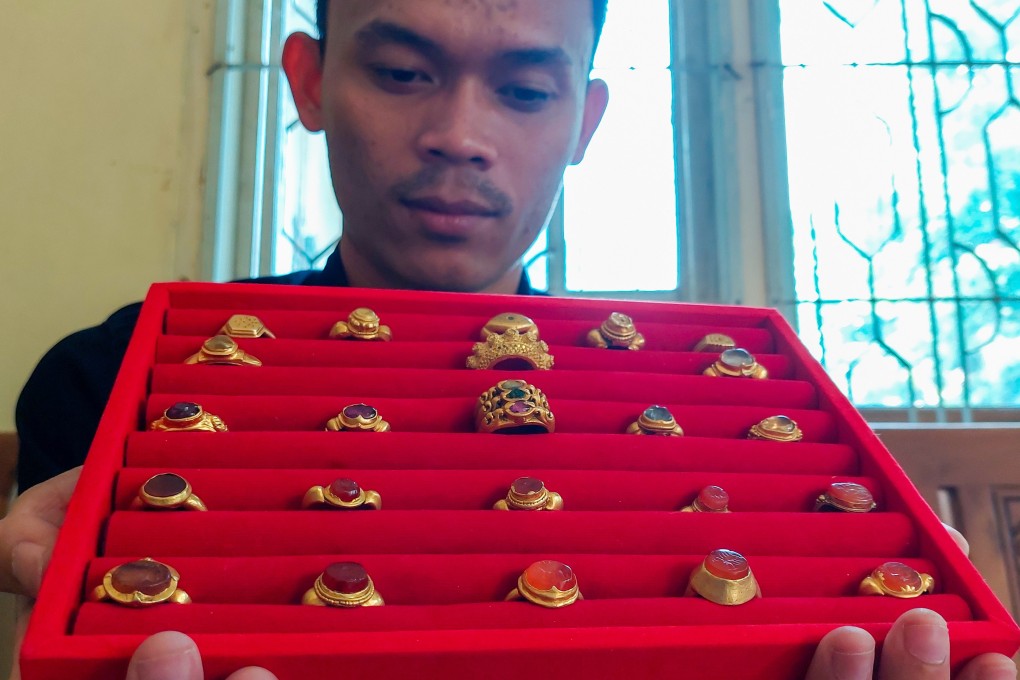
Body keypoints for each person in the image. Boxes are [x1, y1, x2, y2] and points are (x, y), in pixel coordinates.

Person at [4, 1, 1017, 678]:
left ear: (585, 119)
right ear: (308, 82)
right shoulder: (109, 383)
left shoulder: (734, 414)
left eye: (528, 90)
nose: (459, 131)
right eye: (402, 71)